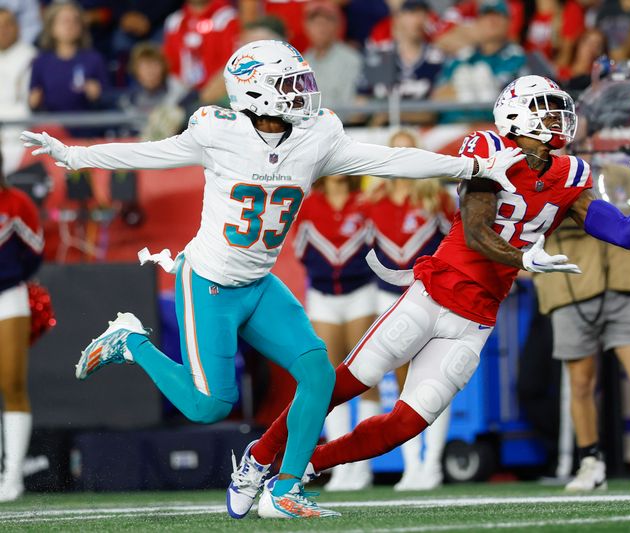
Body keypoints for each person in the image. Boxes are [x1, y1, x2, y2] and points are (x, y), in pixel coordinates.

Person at [20, 39, 522, 519]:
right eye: (291, 83)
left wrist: (471, 165)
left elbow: (388, 160)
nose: (304, 91)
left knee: (320, 376)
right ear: (256, 92)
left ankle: (283, 487)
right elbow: (151, 152)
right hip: (211, 284)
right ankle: (130, 341)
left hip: (260, 286)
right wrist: (75, 155)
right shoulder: (219, 132)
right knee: (208, 406)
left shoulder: (317, 136)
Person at [243, 75, 630, 518]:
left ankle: (305, 467)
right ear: (516, 116)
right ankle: (259, 456)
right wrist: (524, 260)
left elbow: (624, 233)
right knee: (343, 385)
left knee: (408, 423)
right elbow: (478, 231)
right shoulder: (488, 151)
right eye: (546, 109)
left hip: (477, 318)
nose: (559, 118)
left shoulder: (570, 173)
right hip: (433, 295)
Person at [534, 164, 630, 492]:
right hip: (569, 285)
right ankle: (590, 462)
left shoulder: (620, 172)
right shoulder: (548, 174)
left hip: (621, 282)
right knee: (581, 382)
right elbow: (532, 227)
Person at [367, 130, 456, 491]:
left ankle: (432, 463)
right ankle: (412, 464)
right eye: (395, 150)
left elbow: (457, 243)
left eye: (408, 150)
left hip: (432, 296)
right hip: (389, 297)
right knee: (401, 382)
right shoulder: (374, 201)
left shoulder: (436, 198)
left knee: (435, 378)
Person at [293, 174, 380, 492]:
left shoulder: (364, 203)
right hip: (323, 297)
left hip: (361, 293)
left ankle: (363, 466)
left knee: (364, 376)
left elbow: (376, 245)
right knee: (327, 381)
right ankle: (339, 465)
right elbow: (301, 250)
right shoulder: (308, 204)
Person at [0, 153, 44, 502]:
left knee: (11, 381)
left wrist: (10, 275)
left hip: (7, 295)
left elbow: (35, 251)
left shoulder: (16, 203)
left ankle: (12, 475)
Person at [433, 0, 529, 122]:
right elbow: (438, 96)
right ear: (477, 22)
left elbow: (526, 102)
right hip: (453, 127)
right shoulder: (463, 56)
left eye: (498, 15)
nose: (492, 21)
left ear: (508, 23)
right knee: (464, 74)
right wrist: (464, 92)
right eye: (486, 15)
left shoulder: (519, 58)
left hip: (495, 127)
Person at [28, 2, 109, 117]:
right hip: (52, 128)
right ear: (51, 27)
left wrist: (97, 95)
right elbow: (33, 102)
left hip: (87, 127)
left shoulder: (94, 59)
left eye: (75, 21)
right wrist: (34, 102)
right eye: (64, 21)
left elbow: (109, 100)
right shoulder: (40, 62)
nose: (70, 25)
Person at [302, 1, 362, 110]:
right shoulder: (301, 62)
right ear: (306, 26)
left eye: (326, 22)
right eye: (315, 23)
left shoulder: (351, 59)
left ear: (336, 25)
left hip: (341, 125)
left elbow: (348, 105)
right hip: (306, 124)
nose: (321, 28)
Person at [0, 8, 36, 122]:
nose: (3, 30)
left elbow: (27, 103)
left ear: (18, 28)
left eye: (7, 25)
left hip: (19, 123)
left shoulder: (32, 56)